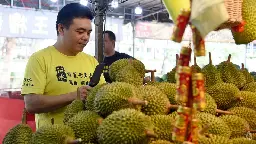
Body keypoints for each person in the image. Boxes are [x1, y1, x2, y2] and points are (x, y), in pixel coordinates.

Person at [21, 3, 105, 129]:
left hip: (87, 135)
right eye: (80, 31)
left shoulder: (92, 62)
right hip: (52, 137)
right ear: (61, 29)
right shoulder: (40, 59)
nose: (85, 37)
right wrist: (73, 96)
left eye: (88, 33)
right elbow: (31, 104)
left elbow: (103, 94)